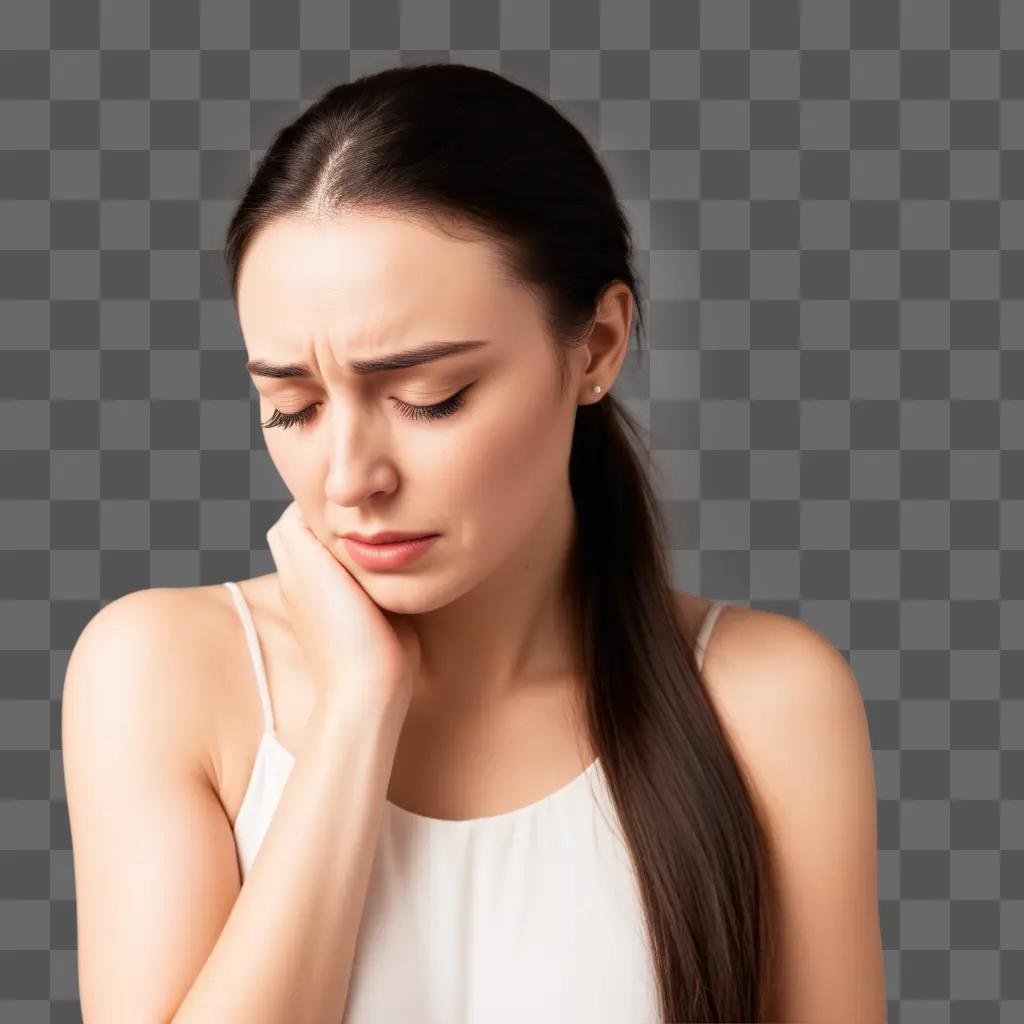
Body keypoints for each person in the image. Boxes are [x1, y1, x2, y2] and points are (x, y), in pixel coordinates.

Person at [61, 63, 886, 1022]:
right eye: (293, 408)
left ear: (598, 346)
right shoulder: (163, 671)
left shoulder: (767, 702)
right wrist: (356, 714)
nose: (348, 477)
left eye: (429, 398)